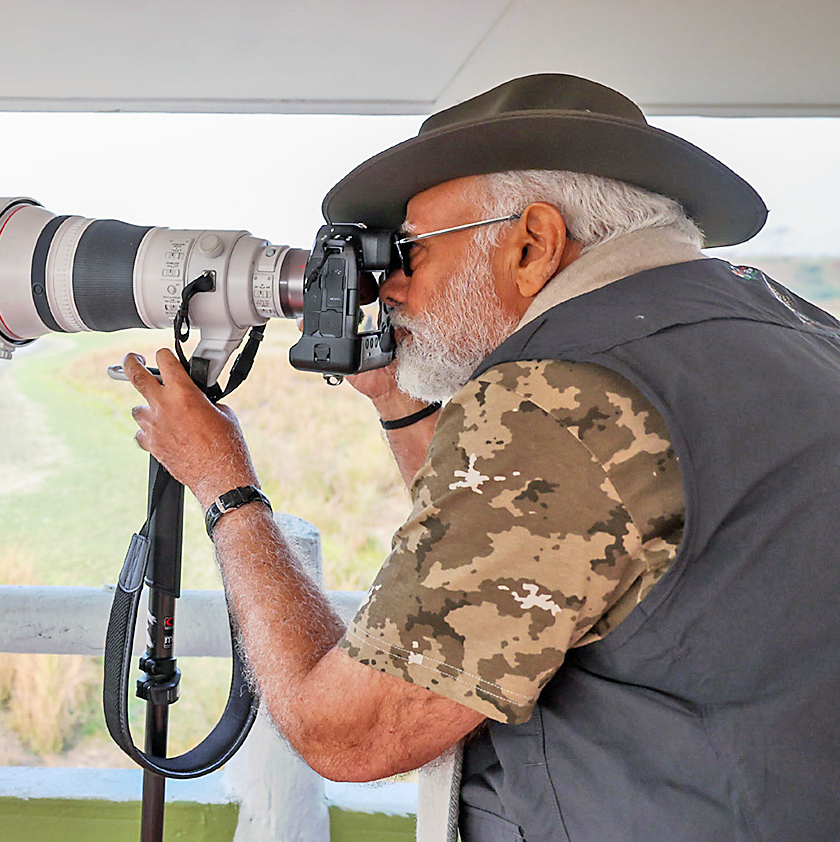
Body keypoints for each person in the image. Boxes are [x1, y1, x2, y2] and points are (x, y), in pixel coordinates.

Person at [124, 73, 840, 841]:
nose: (391, 285)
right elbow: (531, 557)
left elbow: (351, 733)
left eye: (412, 250)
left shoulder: (555, 397)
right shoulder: (795, 329)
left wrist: (224, 484)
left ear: (533, 243)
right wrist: (397, 398)